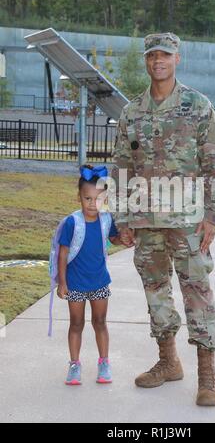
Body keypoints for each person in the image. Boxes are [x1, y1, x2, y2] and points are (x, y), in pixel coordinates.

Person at [111, 33, 215, 406]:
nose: (158, 61)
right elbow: (121, 168)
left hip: (188, 220)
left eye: (165, 55)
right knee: (155, 292)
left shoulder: (198, 106)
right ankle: (168, 361)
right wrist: (121, 219)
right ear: (147, 61)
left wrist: (213, 215)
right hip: (146, 222)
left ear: (177, 59)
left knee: (197, 293)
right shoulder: (132, 112)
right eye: (152, 55)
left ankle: (207, 372)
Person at [53, 165, 122, 386]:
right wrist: (62, 282)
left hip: (99, 281)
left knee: (100, 322)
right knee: (76, 324)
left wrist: (126, 239)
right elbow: (63, 255)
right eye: (88, 199)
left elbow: (114, 239)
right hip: (75, 284)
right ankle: (74, 365)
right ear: (79, 197)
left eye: (98, 199)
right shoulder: (72, 223)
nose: (93, 204)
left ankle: (104, 363)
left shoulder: (106, 219)